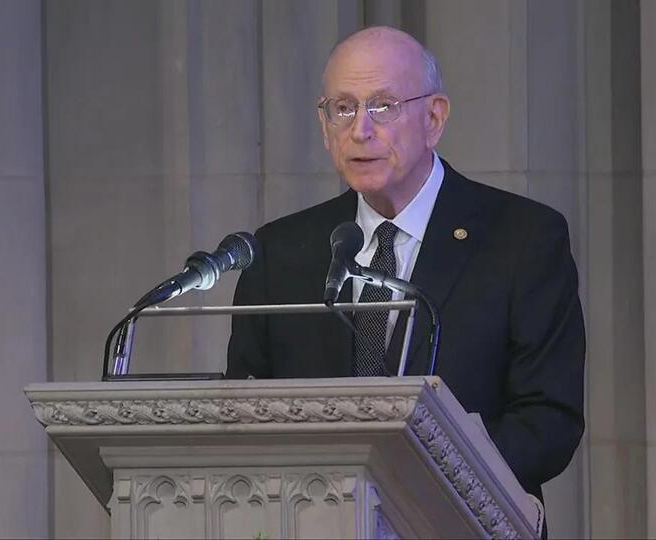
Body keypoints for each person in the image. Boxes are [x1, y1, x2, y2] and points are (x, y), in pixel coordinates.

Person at [226, 26, 584, 507]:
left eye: (383, 106)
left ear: (434, 118)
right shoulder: (279, 251)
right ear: (325, 126)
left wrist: (415, 487)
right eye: (343, 108)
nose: (360, 129)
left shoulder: (524, 238)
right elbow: (246, 413)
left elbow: (548, 420)